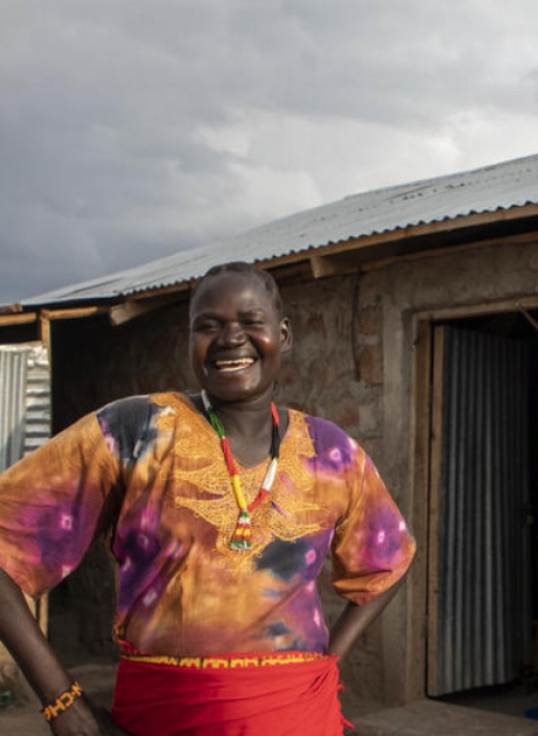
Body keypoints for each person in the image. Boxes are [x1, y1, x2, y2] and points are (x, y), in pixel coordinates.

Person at [0, 262, 416, 735]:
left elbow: (388, 563)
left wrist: (327, 664)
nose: (230, 338)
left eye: (250, 322)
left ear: (283, 335)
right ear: (190, 342)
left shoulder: (333, 452)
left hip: (299, 717)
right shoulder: (132, 432)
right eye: (209, 326)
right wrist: (62, 702)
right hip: (161, 718)